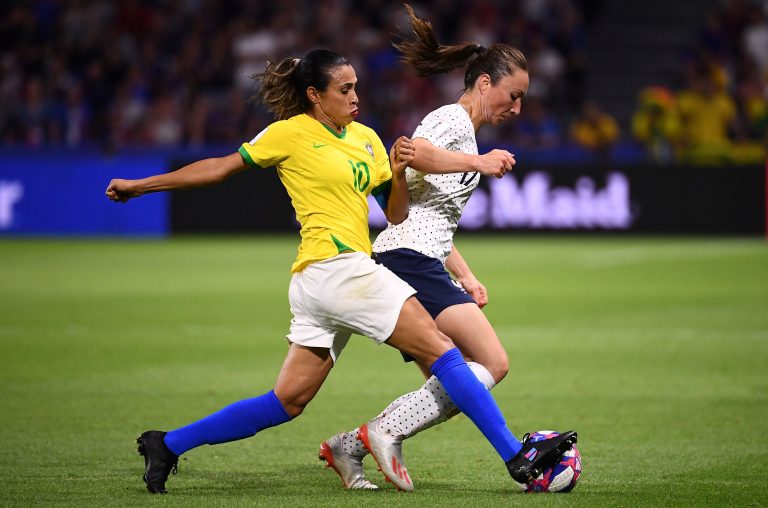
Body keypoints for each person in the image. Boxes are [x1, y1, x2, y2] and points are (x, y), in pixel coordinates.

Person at [105, 48, 576, 494]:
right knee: (443, 351)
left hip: (332, 279)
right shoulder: (289, 133)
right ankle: (516, 457)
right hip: (335, 269)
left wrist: (395, 170)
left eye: (356, 88)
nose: (355, 97)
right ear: (315, 95)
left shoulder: (366, 139)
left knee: (285, 402)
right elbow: (218, 168)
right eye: (344, 89)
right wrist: (141, 186)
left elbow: (395, 214)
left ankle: (166, 444)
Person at [319, 6, 576, 493]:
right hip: (405, 258)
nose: (517, 108)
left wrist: (467, 274)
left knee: (454, 379)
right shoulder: (452, 120)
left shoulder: (466, 133)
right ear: (483, 84)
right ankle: (386, 432)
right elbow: (414, 153)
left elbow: (432, 216)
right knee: (491, 363)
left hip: (418, 257)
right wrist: (479, 160)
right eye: (513, 95)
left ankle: (352, 443)